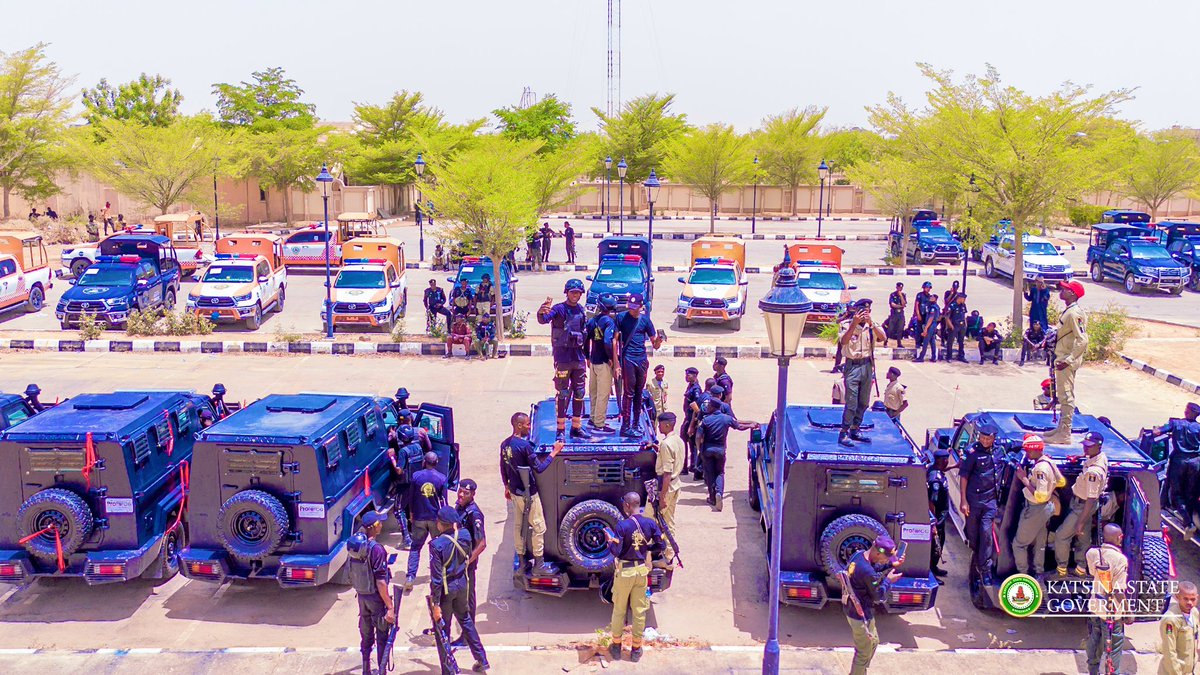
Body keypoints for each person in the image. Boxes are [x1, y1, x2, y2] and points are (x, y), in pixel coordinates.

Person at [605, 492, 664, 663]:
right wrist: (646, 550)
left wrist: (610, 540)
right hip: (641, 572)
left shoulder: (622, 526)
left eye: (625, 504)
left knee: (619, 610)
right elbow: (661, 545)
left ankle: (616, 647)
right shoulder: (650, 523)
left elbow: (616, 551)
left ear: (629, 506)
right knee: (639, 612)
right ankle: (636, 650)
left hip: (625, 572)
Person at [500, 413, 563, 573]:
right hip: (529, 494)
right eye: (527, 424)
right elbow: (539, 468)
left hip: (515, 492)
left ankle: (522, 562)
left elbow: (503, 467)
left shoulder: (505, 444)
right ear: (519, 425)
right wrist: (554, 452)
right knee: (539, 527)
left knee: (518, 526)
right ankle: (539, 564)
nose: (529, 427)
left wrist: (506, 486)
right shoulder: (525, 446)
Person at [429, 506, 489, 673]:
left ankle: (448, 669)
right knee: (466, 620)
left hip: (446, 591)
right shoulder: (465, 536)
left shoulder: (436, 545)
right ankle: (481, 658)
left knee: (443, 630)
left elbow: (436, 578)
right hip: (462, 584)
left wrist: (435, 604)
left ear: (441, 523)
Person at [842, 534, 905, 675]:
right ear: (877, 552)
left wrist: (890, 565)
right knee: (863, 653)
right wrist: (888, 580)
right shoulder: (868, 572)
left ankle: (861, 670)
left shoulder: (858, 556)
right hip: (860, 616)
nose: (886, 560)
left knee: (874, 642)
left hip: (856, 609)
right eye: (886, 558)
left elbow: (871, 568)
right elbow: (878, 596)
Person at [537, 279, 590, 440]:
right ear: (566, 292)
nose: (575, 295)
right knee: (563, 393)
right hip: (563, 358)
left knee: (580, 392)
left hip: (578, 357)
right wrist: (541, 312)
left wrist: (587, 356)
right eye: (573, 292)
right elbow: (544, 319)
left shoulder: (581, 310)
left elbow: (585, 333)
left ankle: (576, 426)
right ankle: (560, 429)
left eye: (578, 293)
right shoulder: (559, 309)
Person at [1054, 431, 1109, 577]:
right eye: (1085, 445)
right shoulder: (1099, 457)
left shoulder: (1094, 472)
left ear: (1099, 446)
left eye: (1089, 446)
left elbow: (1091, 498)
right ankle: (1081, 567)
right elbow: (1091, 458)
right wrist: (1079, 457)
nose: (1086, 449)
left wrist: (1080, 521)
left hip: (1083, 506)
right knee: (1084, 538)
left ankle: (1061, 569)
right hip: (1084, 504)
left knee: (1061, 536)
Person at [1011, 434, 1065, 578]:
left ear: (1036, 450)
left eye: (1029, 451)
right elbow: (1061, 482)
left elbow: (1040, 496)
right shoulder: (1049, 461)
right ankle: (1038, 572)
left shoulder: (1040, 469)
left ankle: (1023, 574)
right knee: (1039, 542)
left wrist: (1024, 479)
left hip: (1037, 508)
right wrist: (1050, 487)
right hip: (1047, 508)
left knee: (1019, 544)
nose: (1027, 453)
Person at [350, 511, 395, 675]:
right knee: (382, 634)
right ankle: (382, 671)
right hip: (376, 598)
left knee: (366, 636)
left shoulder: (357, 546)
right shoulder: (377, 549)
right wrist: (390, 606)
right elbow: (381, 582)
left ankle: (366, 670)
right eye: (379, 523)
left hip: (362, 596)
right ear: (374, 527)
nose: (382, 525)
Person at [838, 298, 885, 448]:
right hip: (852, 366)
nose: (865, 313)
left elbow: (883, 338)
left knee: (864, 401)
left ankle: (855, 428)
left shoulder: (871, 327)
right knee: (851, 402)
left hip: (867, 365)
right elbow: (844, 341)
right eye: (862, 311)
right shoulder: (846, 325)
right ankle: (844, 431)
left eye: (868, 311)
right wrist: (854, 324)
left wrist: (871, 323)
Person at [1045, 280, 1088, 445]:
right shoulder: (1069, 311)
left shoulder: (1074, 313)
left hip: (1066, 360)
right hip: (1062, 357)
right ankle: (1061, 429)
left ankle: (1065, 433)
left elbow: (1082, 340)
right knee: (1062, 395)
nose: (1061, 291)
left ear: (1073, 294)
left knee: (1066, 396)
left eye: (1065, 289)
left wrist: (1069, 360)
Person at [615, 293, 663, 438]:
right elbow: (614, 341)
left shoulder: (646, 321)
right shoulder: (621, 317)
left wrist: (659, 340)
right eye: (631, 307)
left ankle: (635, 424)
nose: (633, 310)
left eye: (635, 308)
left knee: (638, 393)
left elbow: (655, 345)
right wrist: (616, 362)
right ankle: (626, 426)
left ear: (641, 307)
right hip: (628, 358)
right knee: (628, 394)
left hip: (641, 359)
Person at [697, 397, 758, 511]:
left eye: (709, 405)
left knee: (710, 474)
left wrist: (700, 449)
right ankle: (719, 493)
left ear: (712, 407)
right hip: (720, 450)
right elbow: (739, 427)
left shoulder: (706, 420)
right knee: (720, 472)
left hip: (708, 450)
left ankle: (712, 498)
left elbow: (698, 436)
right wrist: (750, 425)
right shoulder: (727, 419)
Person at [1084, 523, 1129, 675]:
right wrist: (1128, 611)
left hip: (1095, 606)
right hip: (1111, 611)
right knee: (1114, 646)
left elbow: (1092, 573)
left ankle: (1092, 671)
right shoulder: (1120, 559)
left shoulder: (1091, 553)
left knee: (1095, 638)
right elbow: (1118, 590)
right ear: (1119, 538)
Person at [960, 421, 1000, 587]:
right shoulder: (972, 453)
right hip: (974, 502)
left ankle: (985, 569)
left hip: (990, 501)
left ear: (993, 438)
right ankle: (977, 560)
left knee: (986, 533)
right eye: (982, 437)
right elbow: (964, 477)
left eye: (987, 438)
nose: (984, 441)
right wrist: (963, 501)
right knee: (973, 537)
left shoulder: (1000, 451)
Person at [404, 452, 448, 590]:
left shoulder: (416, 477)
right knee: (438, 548)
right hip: (435, 519)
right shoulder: (441, 478)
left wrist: (411, 513)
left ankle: (410, 577)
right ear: (436, 462)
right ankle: (439, 576)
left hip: (419, 518)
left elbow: (410, 497)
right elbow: (444, 501)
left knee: (415, 547)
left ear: (424, 462)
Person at [454, 479, 487, 645]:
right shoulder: (459, 507)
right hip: (456, 562)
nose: (461, 495)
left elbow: (482, 544)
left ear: (473, 494)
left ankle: (467, 638)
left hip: (466, 565)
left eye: (465, 493)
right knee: (458, 600)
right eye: (460, 491)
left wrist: (467, 563)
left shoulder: (474, 514)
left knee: (467, 600)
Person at [648, 411, 684, 564]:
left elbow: (667, 473)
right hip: (676, 485)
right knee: (668, 520)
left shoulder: (666, 444)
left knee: (654, 520)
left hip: (667, 487)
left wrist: (662, 497)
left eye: (661, 424)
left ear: (667, 424)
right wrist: (658, 449)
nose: (659, 427)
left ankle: (667, 557)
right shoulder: (677, 440)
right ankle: (667, 554)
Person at [1154, 402, 1200, 516]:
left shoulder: (1176, 423)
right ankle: (1188, 517)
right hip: (1195, 462)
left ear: (1187, 411)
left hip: (1179, 461)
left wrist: (1157, 429)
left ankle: (1187, 521)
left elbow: (1157, 432)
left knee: (1176, 492)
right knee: (1190, 492)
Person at [585, 295, 619, 433]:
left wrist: (587, 356)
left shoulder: (592, 321)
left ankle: (593, 418)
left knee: (593, 392)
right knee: (603, 394)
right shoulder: (609, 322)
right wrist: (611, 357)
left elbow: (586, 339)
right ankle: (599, 424)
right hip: (604, 363)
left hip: (593, 361)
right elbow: (607, 341)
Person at [1159, 580, 1200, 675]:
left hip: (1188, 671)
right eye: (1185, 599)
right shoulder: (1170, 620)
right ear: (1177, 597)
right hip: (1173, 672)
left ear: (1197, 598)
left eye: (1193, 599)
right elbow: (1169, 652)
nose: (1190, 602)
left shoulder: (1194, 612)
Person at [928, 450, 951, 579]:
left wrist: (955, 465)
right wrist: (933, 524)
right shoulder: (935, 482)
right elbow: (931, 502)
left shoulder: (935, 469)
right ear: (941, 461)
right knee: (935, 547)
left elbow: (942, 471)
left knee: (938, 545)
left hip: (939, 519)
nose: (948, 462)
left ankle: (934, 568)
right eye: (946, 460)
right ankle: (931, 574)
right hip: (937, 520)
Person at [681, 367, 702, 478]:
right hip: (688, 418)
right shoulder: (691, 386)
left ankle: (687, 467)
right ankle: (691, 465)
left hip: (690, 420)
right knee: (690, 444)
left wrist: (692, 425)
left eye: (688, 375)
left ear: (694, 376)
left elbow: (696, 408)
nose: (686, 376)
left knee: (686, 443)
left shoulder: (696, 389)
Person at [915, 294, 940, 363]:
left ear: (935, 299)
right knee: (932, 341)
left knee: (925, 341)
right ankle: (934, 357)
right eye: (930, 297)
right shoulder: (933, 306)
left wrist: (926, 329)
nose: (931, 298)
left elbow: (931, 319)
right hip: (932, 325)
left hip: (931, 325)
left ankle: (921, 357)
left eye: (932, 297)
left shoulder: (933, 308)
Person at [947, 293, 969, 362]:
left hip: (962, 326)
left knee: (961, 341)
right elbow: (947, 317)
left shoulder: (963, 305)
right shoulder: (952, 305)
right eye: (963, 299)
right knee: (950, 342)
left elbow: (964, 315)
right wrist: (951, 326)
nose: (964, 300)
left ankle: (961, 356)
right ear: (959, 298)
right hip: (954, 325)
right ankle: (949, 357)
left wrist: (966, 324)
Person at [884, 282, 907, 348]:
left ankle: (899, 343)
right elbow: (892, 304)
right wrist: (899, 306)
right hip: (894, 314)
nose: (900, 288)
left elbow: (904, 304)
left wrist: (901, 296)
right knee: (890, 329)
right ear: (896, 287)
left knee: (900, 329)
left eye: (901, 287)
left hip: (901, 315)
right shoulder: (892, 295)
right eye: (899, 287)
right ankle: (885, 342)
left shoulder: (903, 295)